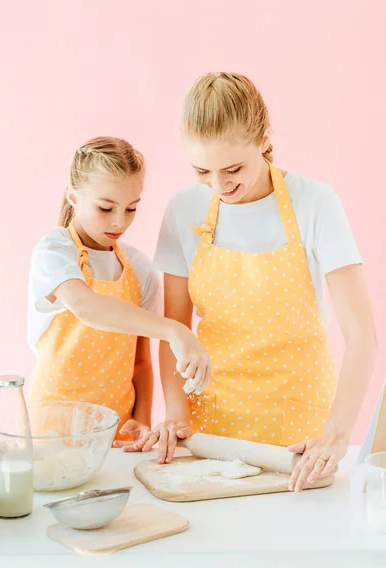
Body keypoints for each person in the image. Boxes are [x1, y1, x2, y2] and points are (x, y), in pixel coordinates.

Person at [144, 72, 377, 492]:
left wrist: (338, 433)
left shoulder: (315, 203)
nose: (220, 185)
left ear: (264, 137)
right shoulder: (183, 208)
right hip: (211, 426)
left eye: (233, 168)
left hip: (299, 428)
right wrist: (176, 414)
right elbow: (174, 329)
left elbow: (361, 333)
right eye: (202, 171)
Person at [27, 136, 211, 444]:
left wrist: (141, 420)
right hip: (51, 432)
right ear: (73, 196)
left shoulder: (138, 268)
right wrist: (175, 331)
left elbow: (140, 362)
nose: (119, 221)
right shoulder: (54, 251)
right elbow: (87, 307)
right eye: (105, 207)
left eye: (131, 209)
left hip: (115, 433)